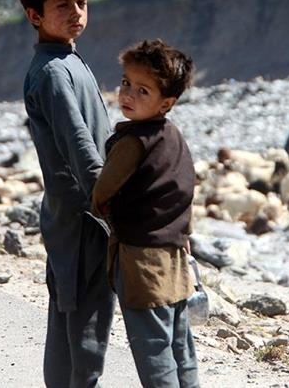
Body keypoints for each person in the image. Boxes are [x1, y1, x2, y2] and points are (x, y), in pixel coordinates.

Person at [18, 0, 114, 388]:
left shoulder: (68, 60)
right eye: (62, 5)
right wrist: (109, 205)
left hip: (69, 216)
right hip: (84, 218)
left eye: (82, 2)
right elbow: (80, 147)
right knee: (87, 335)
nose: (76, 12)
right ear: (34, 15)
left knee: (67, 319)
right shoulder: (54, 73)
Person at [91, 39, 200, 388]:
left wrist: (102, 209)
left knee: (153, 348)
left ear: (166, 103)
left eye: (142, 90)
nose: (128, 94)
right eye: (126, 83)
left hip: (142, 264)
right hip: (175, 259)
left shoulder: (132, 142)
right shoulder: (173, 136)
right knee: (181, 346)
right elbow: (185, 188)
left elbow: (102, 191)